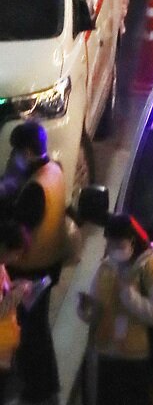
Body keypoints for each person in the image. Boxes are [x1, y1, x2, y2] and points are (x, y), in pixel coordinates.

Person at [2, 122, 69, 405]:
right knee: (38, 329)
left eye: (17, 150)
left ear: (27, 150)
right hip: (50, 262)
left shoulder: (34, 188)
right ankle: (46, 383)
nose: (14, 155)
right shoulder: (53, 170)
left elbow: (18, 234)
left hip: (30, 269)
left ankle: (36, 388)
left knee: (29, 333)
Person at [77, 213, 153, 405]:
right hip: (106, 355)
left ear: (131, 240)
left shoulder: (151, 270)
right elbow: (97, 311)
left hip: (135, 360)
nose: (111, 248)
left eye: (116, 243)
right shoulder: (106, 267)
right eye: (109, 243)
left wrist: (128, 295)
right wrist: (85, 309)